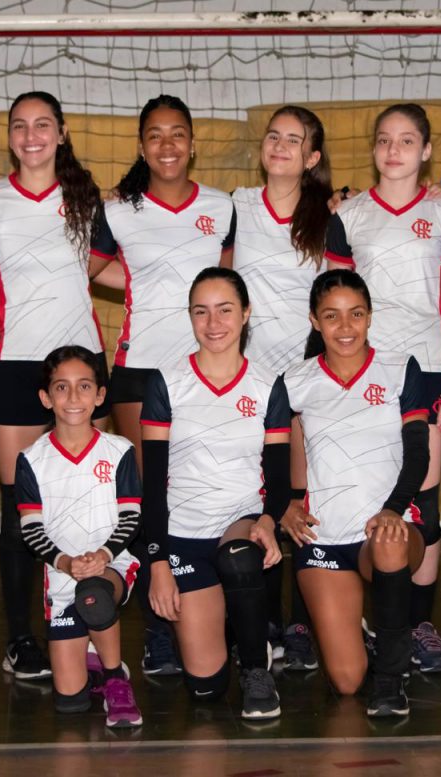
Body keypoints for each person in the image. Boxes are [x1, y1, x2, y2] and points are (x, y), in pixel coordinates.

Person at [0, 91, 118, 681]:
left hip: (79, 367)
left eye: (43, 125)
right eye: (20, 126)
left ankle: (86, 621)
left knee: (86, 505)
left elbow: (95, 270)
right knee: (19, 509)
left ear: (61, 133)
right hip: (11, 367)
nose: (31, 135)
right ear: (10, 137)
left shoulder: (87, 200)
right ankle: (20, 638)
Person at [89, 95, 235, 675]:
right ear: (142, 144)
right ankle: (157, 628)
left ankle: (210, 608)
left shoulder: (223, 207)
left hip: (208, 370)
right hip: (141, 369)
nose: (168, 145)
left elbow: (230, 278)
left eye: (178, 134)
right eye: (156, 135)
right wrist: (141, 285)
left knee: (203, 488)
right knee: (155, 496)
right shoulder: (119, 209)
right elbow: (90, 266)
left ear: (193, 142)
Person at [326, 103, 441, 674]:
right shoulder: (351, 214)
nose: (394, 150)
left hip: (428, 370)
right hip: (368, 372)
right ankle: (375, 618)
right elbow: (331, 304)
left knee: (422, 502)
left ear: (426, 151)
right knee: (371, 494)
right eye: (384, 140)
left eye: (407, 141)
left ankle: (416, 624)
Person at [141, 267, 291, 719]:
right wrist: (158, 563)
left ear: (246, 313)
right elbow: (152, 487)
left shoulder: (268, 384)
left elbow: (279, 477)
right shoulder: (167, 382)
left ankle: (255, 668)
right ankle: (235, 627)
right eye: (200, 312)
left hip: (238, 527)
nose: (213, 323)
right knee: (205, 689)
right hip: (185, 537)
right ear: (189, 318)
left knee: (241, 556)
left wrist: (268, 520)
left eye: (225, 310)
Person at [282, 269, 430, 718]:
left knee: (388, 541)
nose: (345, 328)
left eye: (356, 314)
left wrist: (392, 510)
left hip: (386, 530)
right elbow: (278, 457)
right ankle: (372, 636)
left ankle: (391, 677)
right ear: (314, 320)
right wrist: (286, 504)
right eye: (332, 316)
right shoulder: (294, 380)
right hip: (323, 537)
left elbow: (418, 456)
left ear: (370, 317)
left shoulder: (400, 368)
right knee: (346, 683)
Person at [232, 104, 334, 671]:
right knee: (260, 500)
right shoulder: (237, 207)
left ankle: (302, 623)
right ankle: (263, 622)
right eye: (274, 136)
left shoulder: (330, 214)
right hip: (247, 382)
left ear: (312, 157)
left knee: (301, 503)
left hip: (304, 382)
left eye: (294, 141)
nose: (280, 146)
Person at [15, 346, 143, 726]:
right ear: (45, 397)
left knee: (94, 596)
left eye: (84, 386)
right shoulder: (31, 459)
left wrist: (102, 556)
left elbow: (131, 518)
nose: (73, 398)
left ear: (100, 395)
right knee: (70, 702)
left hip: (112, 564)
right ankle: (90, 656)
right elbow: (31, 530)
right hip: (61, 574)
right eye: (61, 388)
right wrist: (66, 563)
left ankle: (117, 679)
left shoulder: (119, 451)